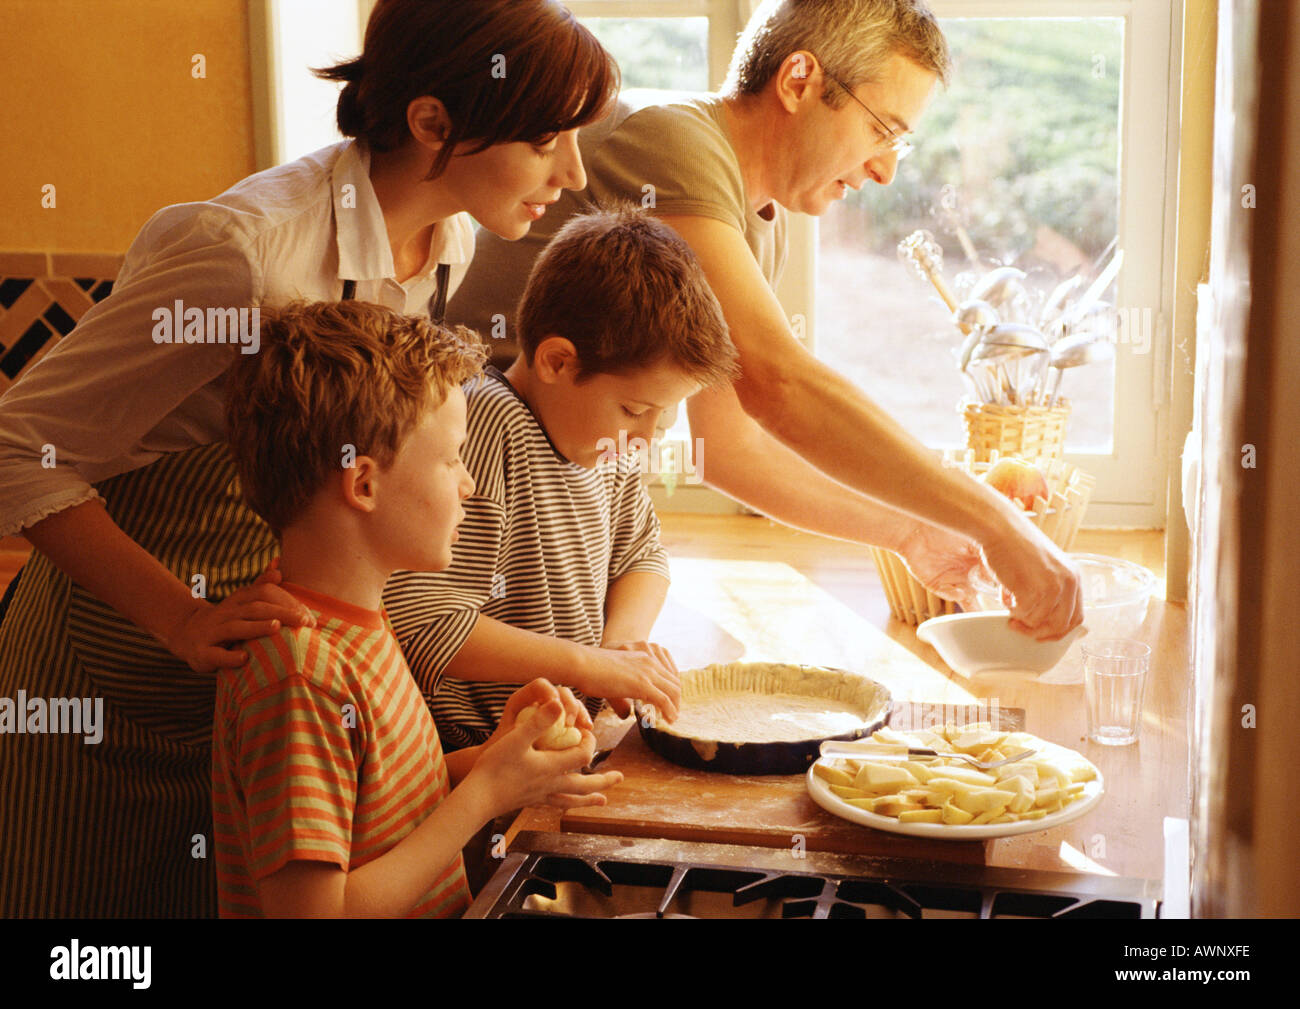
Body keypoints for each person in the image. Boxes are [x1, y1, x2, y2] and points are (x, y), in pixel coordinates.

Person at [0, 0, 617, 917]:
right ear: (432, 121)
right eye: (547, 138)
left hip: (258, 681)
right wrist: (181, 619)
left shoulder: (448, 237)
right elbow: (16, 447)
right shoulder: (241, 254)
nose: (571, 173)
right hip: (110, 686)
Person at [447, 0, 1084, 640]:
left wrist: (912, 531)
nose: (887, 169)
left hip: (559, 528)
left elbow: (731, 451)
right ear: (798, 80)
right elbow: (779, 386)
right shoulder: (672, 145)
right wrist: (997, 525)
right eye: (881, 130)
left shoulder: (758, 220)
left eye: (902, 142)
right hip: (468, 500)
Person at [213, 300, 619, 918]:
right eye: (453, 458)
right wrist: (484, 795)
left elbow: (382, 804)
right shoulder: (302, 675)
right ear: (365, 485)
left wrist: (499, 758)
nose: (469, 484)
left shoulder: (358, 625)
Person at [385, 206, 738, 749]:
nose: (645, 439)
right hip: (469, 749)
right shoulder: (483, 425)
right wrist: (586, 664)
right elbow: (422, 623)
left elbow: (642, 554)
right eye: (634, 409)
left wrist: (621, 646)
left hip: (559, 738)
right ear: (557, 362)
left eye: (662, 417)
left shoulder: (609, 445)